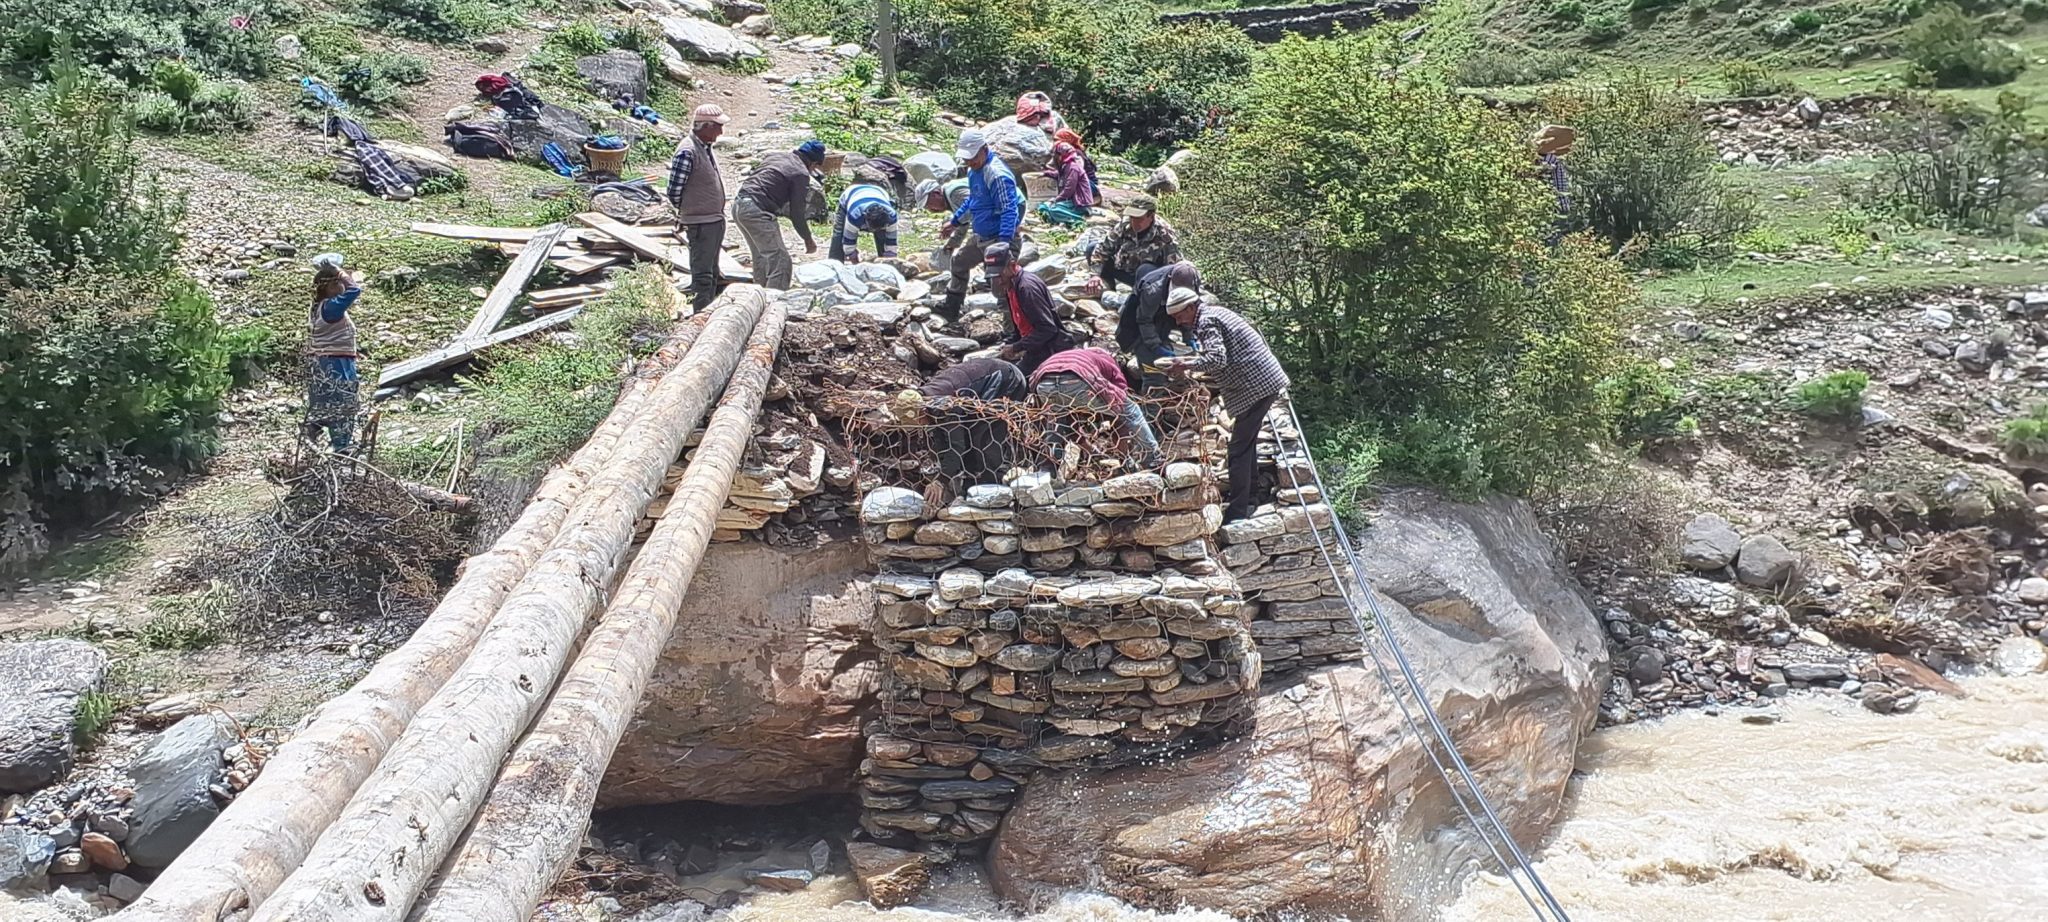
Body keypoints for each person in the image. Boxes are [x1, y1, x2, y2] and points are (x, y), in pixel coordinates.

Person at [1159, 289, 1290, 522]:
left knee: (1238, 449)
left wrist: (1186, 365)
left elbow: (1217, 359)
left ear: (1190, 308)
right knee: (1245, 442)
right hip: (1261, 382)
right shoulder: (1215, 314)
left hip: (1256, 384)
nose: (1178, 321)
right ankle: (1250, 496)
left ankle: (1239, 509)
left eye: (1179, 315)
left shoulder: (1206, 321)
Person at [939, 129, 1025, 320]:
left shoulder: (996, 175)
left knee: (1001, 284)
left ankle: (1012, 327)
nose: (970, 162)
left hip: (998, 238)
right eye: (967, 158)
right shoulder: (973, 171)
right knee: (959, 261)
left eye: (973, 157)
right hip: (981, 236)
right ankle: (952, 306)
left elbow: (1009, 209)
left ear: (984, 149)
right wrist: (954, 222)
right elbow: (973, 201)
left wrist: (1004, 242)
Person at [1030, 347, 1162, 468]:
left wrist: (1094, 453)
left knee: (1056, 423)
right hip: (1076, 379)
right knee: (1131, 410)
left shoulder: (1075, 355)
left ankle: (1048, 468)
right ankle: (1153, 457)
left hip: (1044, 384)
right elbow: (1119, 403)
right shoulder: (1107, 359)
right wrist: (1123, 454)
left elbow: (1070, 427)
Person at [918, 357, 1028, 492]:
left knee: (982, 434)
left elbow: (956, 444)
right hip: (978, 386)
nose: (918, 425)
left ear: (922, 409)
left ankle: (991, 486)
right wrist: (943, 471)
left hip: (1006, 378)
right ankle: (971, 482)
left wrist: (942, 480)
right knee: (970, 434)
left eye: (917, 420)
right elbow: (941, 436)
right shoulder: (927, 399)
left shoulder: (944, 405)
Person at [731, 139, 827, 289]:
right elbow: (797, 212)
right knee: (781, 261)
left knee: (762, 258)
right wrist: (808, 239)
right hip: (757, 210)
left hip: (739, 205)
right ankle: (774, 301)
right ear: (813, 163)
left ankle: (758, 294)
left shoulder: (776, 156)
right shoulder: (800, 173)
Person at [666, 103, 730, 309]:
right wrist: (689, 210)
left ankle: (708, 313)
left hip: (712, 220)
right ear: (705, 126)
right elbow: (674, 190)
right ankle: (700, 317)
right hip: (701, 223)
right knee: (703, 276)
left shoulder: (704, 147)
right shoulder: (688, 151)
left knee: (712, 272)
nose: (721, 131)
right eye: (717, 126)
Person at [985, 243, 1073, 375]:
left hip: (1048, 349)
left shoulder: (1027, 289)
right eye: (994, 277)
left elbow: (1047, 329)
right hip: (1032, 346)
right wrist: (1011, 343)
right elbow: (1019, 324)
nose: (998, 281)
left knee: (1014, 383)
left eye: (999, 275)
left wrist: (1017, 347)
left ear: (1012, 265)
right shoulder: (1010, 286)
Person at [304, 254, 363, 452]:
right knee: (343, 403)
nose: (342, 285)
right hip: (336, 363)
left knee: (324, 403)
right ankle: (342, 448)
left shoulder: (319, 307)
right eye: (337, 283)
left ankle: (312, 430)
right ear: (328, 288)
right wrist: (339, 271)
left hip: (321, 363)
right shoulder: (331, 308)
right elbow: (355, 290)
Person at [1117, 261, 1202, 391]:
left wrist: (1189, 336)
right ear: (1170, 280)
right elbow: (1144, 320)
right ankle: (1150, 409)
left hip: (1165, 319)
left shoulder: (1192, 283)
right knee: (1154, 375)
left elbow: (1188, 311)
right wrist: (1156, 348)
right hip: (1139, 325)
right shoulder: (1152, 289)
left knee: (1171, 374)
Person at [1089, 194, 1180, 292]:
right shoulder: (1125, 224)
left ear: (1151, 216)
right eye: (1132, 217)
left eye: (1139, 218)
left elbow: (1172, 267)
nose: (1134, 222)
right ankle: (1108, 285)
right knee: (1091, 247)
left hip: (1145, 278)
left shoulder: (1165, 235)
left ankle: (1138, 296)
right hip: (1122, 268)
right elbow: (1103, 249)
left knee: (1145, 269)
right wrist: (1095, 275)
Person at [831, 182, 899, 264]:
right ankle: (833, 264)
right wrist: (855, 262)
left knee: (882, 237)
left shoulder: (891, 216)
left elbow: (891, 242)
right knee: (839, 236)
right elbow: (848, 242)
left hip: (879, 192)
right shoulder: (855, 215)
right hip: (850, 195)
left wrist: (889, 260)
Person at [1531, 124, 1576, 245]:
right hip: (1557, 205)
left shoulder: (1549, 159)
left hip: (1555, 205)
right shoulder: (1552, 158)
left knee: (1552, 237)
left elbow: (1542, 170)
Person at [1035, 141, 1094, 227]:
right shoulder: (1066, 166)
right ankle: (1061, 217)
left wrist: (1055, 200)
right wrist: (1045, 173)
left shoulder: (1073, 168)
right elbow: (1059, 175)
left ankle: (1078, 219)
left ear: (1061, 155)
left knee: (1053, 210)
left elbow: (1069, 190)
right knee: (1042, 207)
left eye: (1057, 155)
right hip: (1070, 202)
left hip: (1079, 204)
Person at [1052, 127, 1099, 202]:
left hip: (1089, 185)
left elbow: (1073, 176)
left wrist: (1059, 198)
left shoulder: (1075, 155)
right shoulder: (1066, 153)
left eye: (1058, 140)